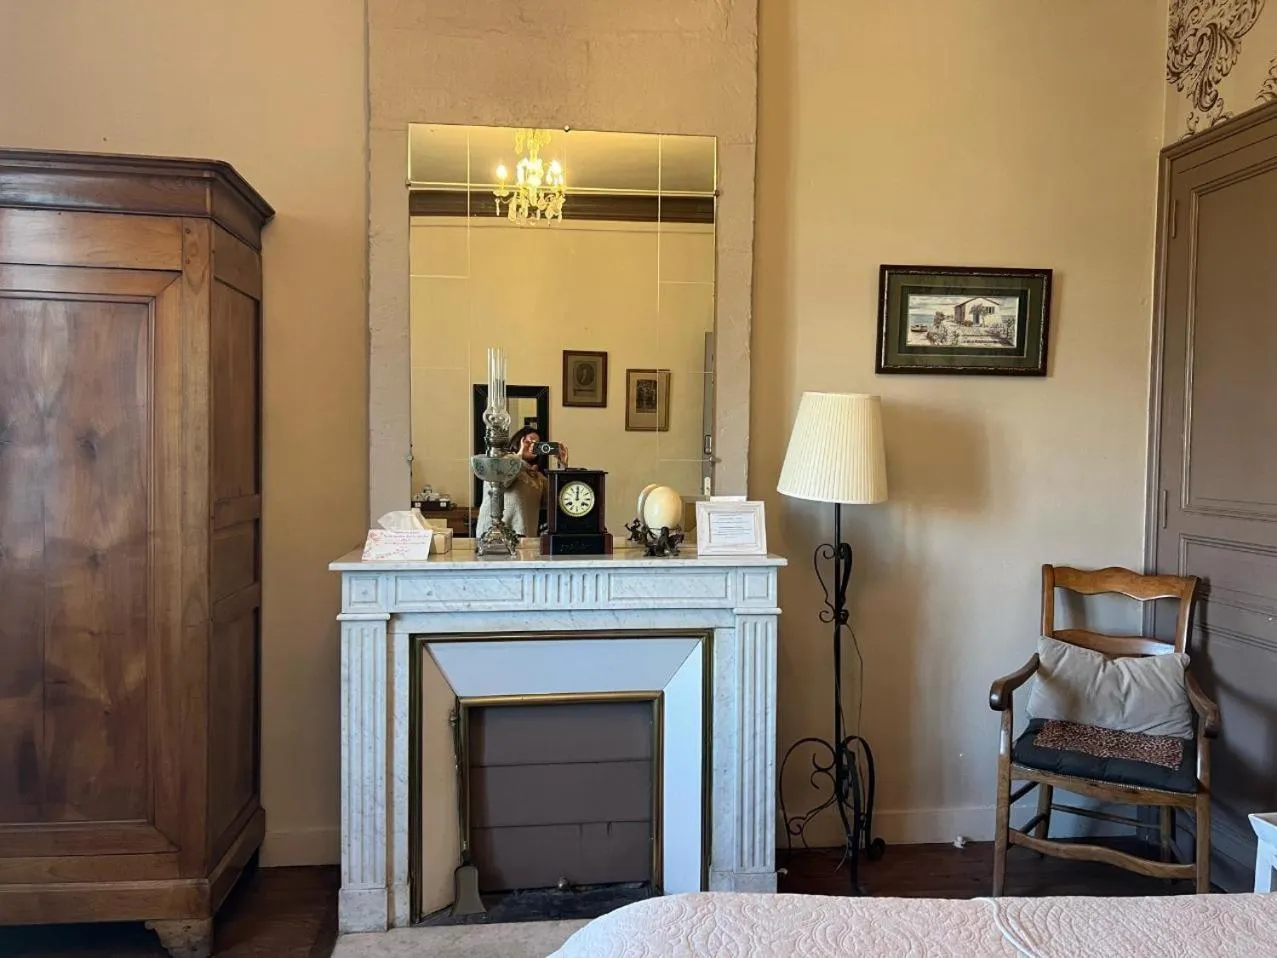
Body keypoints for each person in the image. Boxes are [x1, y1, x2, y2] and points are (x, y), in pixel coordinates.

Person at [475, 426, 569, 538]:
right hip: (494, 534)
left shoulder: (536, 477)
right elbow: (502, 483)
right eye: (528, 442)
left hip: (523, 537)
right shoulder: (500, 462)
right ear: (518, 441)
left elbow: (557, 499)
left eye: (537, 444)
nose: (532, 446)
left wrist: (563, 466)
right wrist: (518, 455)